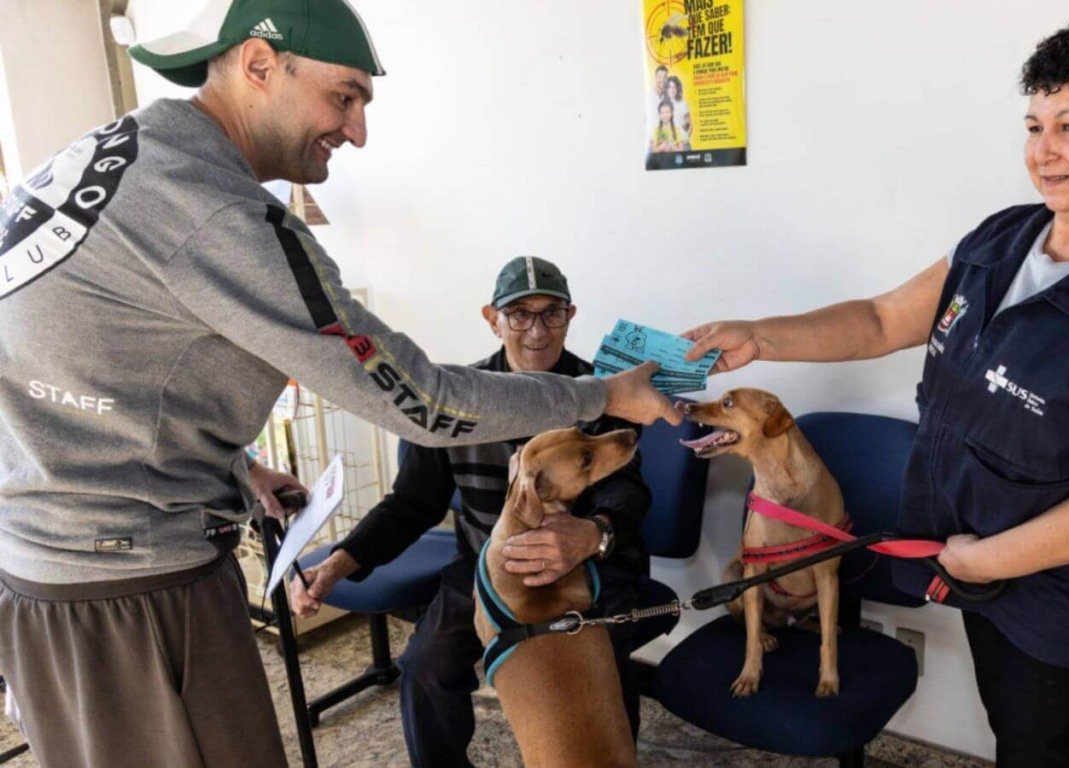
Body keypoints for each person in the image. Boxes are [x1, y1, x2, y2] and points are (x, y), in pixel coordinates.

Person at [0, 2, 677, 767]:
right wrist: (606, 398)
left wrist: (237, 466)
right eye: (344, 97)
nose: (357, 131)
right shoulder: (214, 210)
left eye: (548, 313)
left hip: (68, 565)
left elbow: (92, 363)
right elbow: (419, 406)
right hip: (122, 586)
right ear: (259, 65)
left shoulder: (112, 155)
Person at [682, 15, 1069, 768]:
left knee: (1038, 748)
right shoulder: (1003, 239)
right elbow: (885, 318)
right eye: (1034, 125)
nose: (1041, 153)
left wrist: (987, 561)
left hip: (1060, 599)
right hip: (969, 560)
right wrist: (763, 335)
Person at [291, 257, 657, 767]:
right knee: (425, 667)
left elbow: (629, 493)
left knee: (604, 669)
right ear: (492, 318)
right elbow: (412, 503)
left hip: (589, 565)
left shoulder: (603, 392)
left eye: (551, 314)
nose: (536, 329)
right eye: (519, 314)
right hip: (486, 568)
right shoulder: (456, 400)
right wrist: (340, 561)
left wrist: (591, 533)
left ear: (571, 316)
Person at [666, 75, 692, 144]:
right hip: (669, 145)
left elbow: (690, 125)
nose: (672, 90)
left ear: (677, 88)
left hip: (683, 142)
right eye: (670, 87)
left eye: (674, 87)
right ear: (666, 89)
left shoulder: (682, 103)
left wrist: (685, 138)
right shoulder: (663, 104)